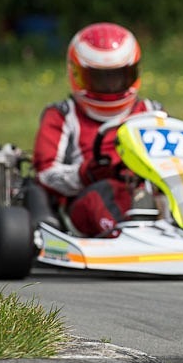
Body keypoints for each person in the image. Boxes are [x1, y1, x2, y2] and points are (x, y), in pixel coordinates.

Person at [32, 22, 163, 237]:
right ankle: (127, 238)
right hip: (85, 200)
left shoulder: (151, 112)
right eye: (101, 78)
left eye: (118, 76)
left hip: (147, 195)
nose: (111, 86)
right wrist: (85, 173)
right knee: (106, 192)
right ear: (77, 74)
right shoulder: (63, 115)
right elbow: (45, 175)